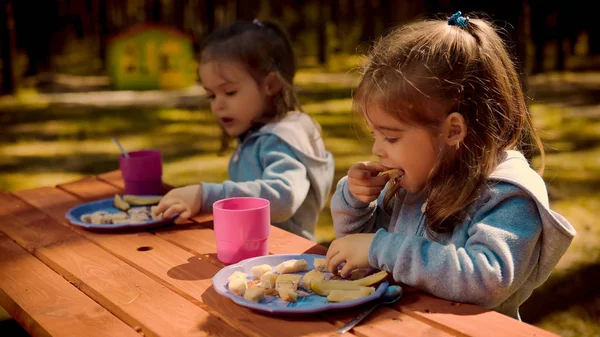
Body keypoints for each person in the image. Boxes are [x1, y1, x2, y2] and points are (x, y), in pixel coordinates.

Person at [325, 11, 576, 319]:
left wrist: (380, 249)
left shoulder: (508, 195)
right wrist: (356, 202)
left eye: (390, 137)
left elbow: (487, 280)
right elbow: (359, 253)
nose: (377, 150)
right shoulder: (421, 177)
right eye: (374, 134)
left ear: (453, 131)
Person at [155, 19, 334, 241]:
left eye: (229, 92)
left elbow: (284, 198)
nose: (217, 104)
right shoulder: (257, 134)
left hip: (286, 262)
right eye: (211, 95)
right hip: (256, 255)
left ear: (271, 84)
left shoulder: (279, 139)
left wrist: (206, 196)